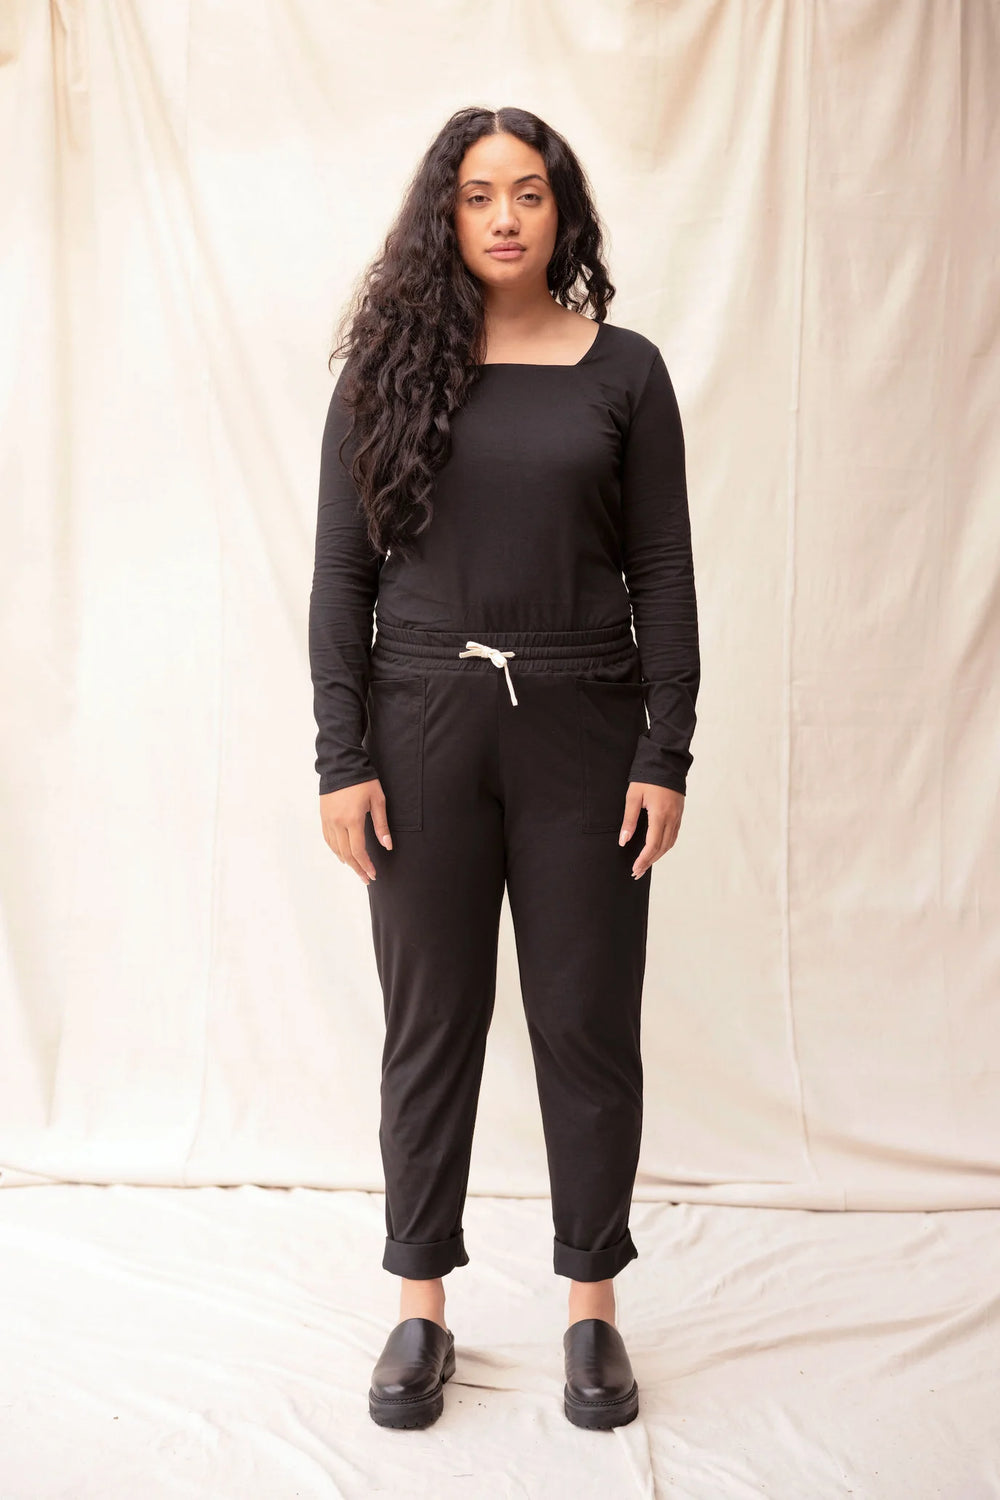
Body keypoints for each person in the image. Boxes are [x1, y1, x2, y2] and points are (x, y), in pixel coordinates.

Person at [308, 105, 700, 1432]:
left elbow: (663, 572)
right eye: (478, 195)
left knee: (586, 1023)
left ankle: (592, 1309)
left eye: (528, 192)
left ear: (562, 210)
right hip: (419, 726)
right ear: (446, 214)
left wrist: (665, 749)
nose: (505, 218)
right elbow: (342, 579)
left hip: (587, 726)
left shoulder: (624, 372)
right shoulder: (384, 373)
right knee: (430, 1027)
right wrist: (341, 756)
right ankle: (419, 1306)